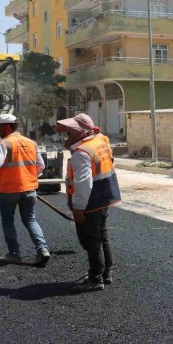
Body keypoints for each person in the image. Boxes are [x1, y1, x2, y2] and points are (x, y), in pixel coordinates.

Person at [0, 114, 51, 266]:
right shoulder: (31, 143)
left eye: (0, 127)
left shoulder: (5, 143)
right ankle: (42, 249)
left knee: (8, 222)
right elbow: (41, 165)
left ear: (7, 127)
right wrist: (28, 177)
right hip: (29, 189)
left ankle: (14, 254)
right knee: (30, 220)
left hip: (9, 189)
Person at [58, 113, 121, 293]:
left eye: (70, 129)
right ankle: (106, 273)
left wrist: (78, 208)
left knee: (91, 241)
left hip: (90, 201)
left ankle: (95, 279)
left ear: (80, 132)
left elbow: (83, 184)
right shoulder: (101, 140)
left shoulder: (82, 153)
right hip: (104, 196)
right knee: (102, 237)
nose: (67, 132)